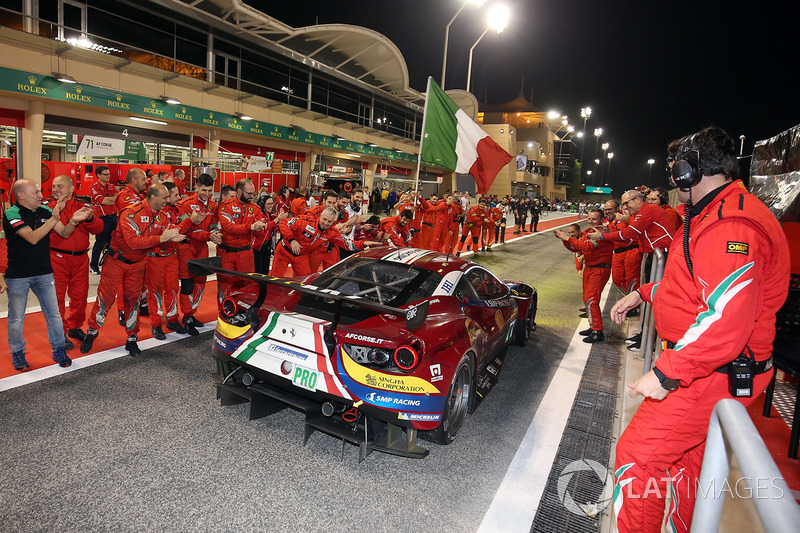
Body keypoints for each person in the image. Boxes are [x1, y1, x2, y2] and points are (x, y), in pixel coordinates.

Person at [610, 127, 790, 533]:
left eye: (677, 168)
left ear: (691, 169)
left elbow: (726, 318)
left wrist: (667, 370)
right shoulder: (717, 212)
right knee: (690, 466)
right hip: (714, 366)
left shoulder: (732, 225)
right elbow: (694, 285)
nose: (673, 179)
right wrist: (644, 293)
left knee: (638, 458)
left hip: (714, 369)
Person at [82, 184, 186, 356]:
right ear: (153, 197)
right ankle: (92, 331)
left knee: (133, 301)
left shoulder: (162, 216)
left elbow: (170, 233)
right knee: (105, 298)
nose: (167, 201)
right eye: (165, 197)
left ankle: (132, 339)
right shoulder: (130, 212)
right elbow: (133, 242)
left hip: (138, 264)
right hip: (116, 261)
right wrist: (162, 237)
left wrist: (174, 236)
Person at [3, 180, 92, 370]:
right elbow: (32, 238)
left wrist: (73, 221)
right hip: (18, 275)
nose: (41, 195)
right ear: (21, 195)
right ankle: (18, 352)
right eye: (35, 192)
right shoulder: (12, 213)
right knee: (17, 318)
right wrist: (54, 218)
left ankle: (59, 349)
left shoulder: (44, 211)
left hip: (44, 273)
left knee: (54, 315)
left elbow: (65, 233)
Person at [45, 176, 105, 350]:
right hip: (56, 258)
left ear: (71, 188)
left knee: (79, 296)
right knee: (56, 298)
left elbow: (99, 228)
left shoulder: (83, 205)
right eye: (54, 186)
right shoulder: (48, 206)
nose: (56, 189)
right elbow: (62, 232)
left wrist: (90, 219)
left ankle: (75, 327)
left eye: (60, 186)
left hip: (80, 259)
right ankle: (59, 333)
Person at [145, 182, 203, 340]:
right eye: (175, 195)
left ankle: (172, 319)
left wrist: (190, 221)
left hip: (171, 256)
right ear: (165, 196)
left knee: (172, 289)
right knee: (155, 292)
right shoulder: (155, 212)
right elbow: (167, 232)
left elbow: (181, 228)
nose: (179, 197)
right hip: (154, 258)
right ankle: (156, 324)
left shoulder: (180, 209)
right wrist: (188, 222)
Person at [555, 208, 613, 343]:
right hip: (590, 268)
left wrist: (567, 238)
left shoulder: (603, 232)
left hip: (599, 270)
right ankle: (593, 326)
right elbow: (577, 248)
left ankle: (598, 331)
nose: (590, 221)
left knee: (591, 300)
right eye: (589, 219)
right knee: (587, 298)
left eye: (594, 219)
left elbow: (587, 246)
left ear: (602, 219)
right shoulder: (588, 232)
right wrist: (564, 240)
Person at [176, 173, 221, 336]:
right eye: (204, 190)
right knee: (187, 284)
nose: (207, 194)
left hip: (202, 248)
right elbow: (188, 230)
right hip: (186, 249)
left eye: (210, 191)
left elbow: (214, 223)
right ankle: (187, 318)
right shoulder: (184, 205)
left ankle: (191, 313)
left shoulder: (213, 205)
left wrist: (215, 232)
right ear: (196, 187)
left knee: (201, 283)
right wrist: (209, 235)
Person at [217, 179, 266, 298]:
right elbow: (229, 227)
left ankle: (244, 313)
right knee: (225, 285)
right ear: (239, 191)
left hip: (245, 253)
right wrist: (251, 227)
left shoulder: (255, 208)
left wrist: (259, 229)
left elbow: (260, 235)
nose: (252, 196)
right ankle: (224, 313)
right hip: (226, 253)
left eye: (253, 194)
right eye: (249, 194)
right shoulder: (225, 206)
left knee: (247, 285)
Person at [89, 165, 118, 274]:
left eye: (109, 174)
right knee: (100, 242)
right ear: (98, 175)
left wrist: (111, 199)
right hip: (101, 218)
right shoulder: (94, 187)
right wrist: (112, 199)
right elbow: (102, 200)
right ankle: (94, 265)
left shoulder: (111, 186)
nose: (108, 176)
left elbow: (117, 199)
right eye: (105, 174)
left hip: (113, 217)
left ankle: (107, 263)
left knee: (111, 242)